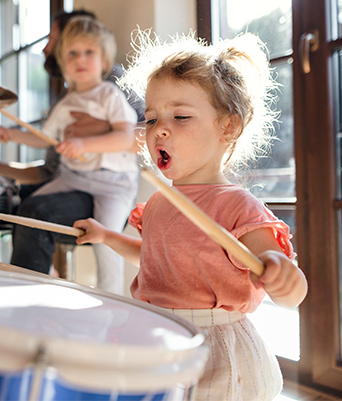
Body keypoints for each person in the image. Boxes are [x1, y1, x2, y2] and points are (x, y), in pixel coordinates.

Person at [73, 31, 308, 400]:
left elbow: (275, 267)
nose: (159, 129)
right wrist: (106, 236)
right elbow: (154, 257)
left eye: (180, 116)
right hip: (160, 334)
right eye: (151, 120)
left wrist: (286, 280)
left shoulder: (236, 205)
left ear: (227, 127)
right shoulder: (159, 202)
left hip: (215, 351)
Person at [0, 9, 144, 285]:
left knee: (104, 249)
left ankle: (108, 309)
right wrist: (10, 137)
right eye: (71, 53)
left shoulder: (112, 89)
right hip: (73, 178)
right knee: (21, 207)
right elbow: (45, 143)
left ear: (103, 57)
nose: (79, 59)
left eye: (88, 52)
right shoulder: (68, 99)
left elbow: (132, 136)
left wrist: (86, 141)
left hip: (113, 184)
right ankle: (31, 281)